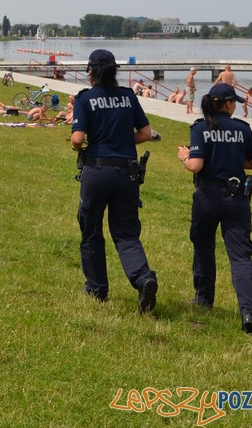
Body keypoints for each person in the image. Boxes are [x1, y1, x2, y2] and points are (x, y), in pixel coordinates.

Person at [71, 49, 158, 313]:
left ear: (91, 71)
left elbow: (77, 139)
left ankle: (97, 288)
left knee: (91, 230)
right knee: (126, 233)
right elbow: (145, 133)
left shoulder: (85, 99)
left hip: (97, 171)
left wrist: (93, 144)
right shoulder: (128, 97)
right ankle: (143, 278)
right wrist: (121, 141)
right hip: (126, 173)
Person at [176, 83, 252, 333]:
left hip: (207, 197)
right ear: (227, 104)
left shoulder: (200, 128)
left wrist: (184, 156)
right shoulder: (241, 129)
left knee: (203, 247)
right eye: (234, 102)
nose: (235, 105)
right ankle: (248, 312)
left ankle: (204, 299)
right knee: (240, 256)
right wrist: (234, 157)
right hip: (236, 198)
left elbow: (195, 165)